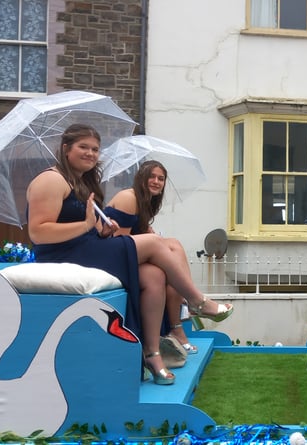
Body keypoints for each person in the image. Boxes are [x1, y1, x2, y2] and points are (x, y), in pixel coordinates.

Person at [26, 124, 234, 386]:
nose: (91, 153)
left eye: (95, 149)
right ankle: (196, 301)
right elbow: (38, 233)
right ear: (66, 148)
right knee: (156, 243)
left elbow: (82, 227)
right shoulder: (50, 179)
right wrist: (87, 226)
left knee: (155, 275)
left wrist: (101, 231)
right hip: (64, 255)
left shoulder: (79, 182)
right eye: (83, 147)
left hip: (87, 248)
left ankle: (152, 354)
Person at [104, 160, 199, 355]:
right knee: (167, 255)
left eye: (161, 178)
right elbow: (121, 242)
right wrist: (151, 241)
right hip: (114, 255)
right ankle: (190, 303)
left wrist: (149, 233)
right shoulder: (128, 197)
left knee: (173, 250)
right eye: (152, 177)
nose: (156, 181)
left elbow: (141, 232)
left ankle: (177, 326)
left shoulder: (145, 202)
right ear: (141, 178)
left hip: (131, 252)